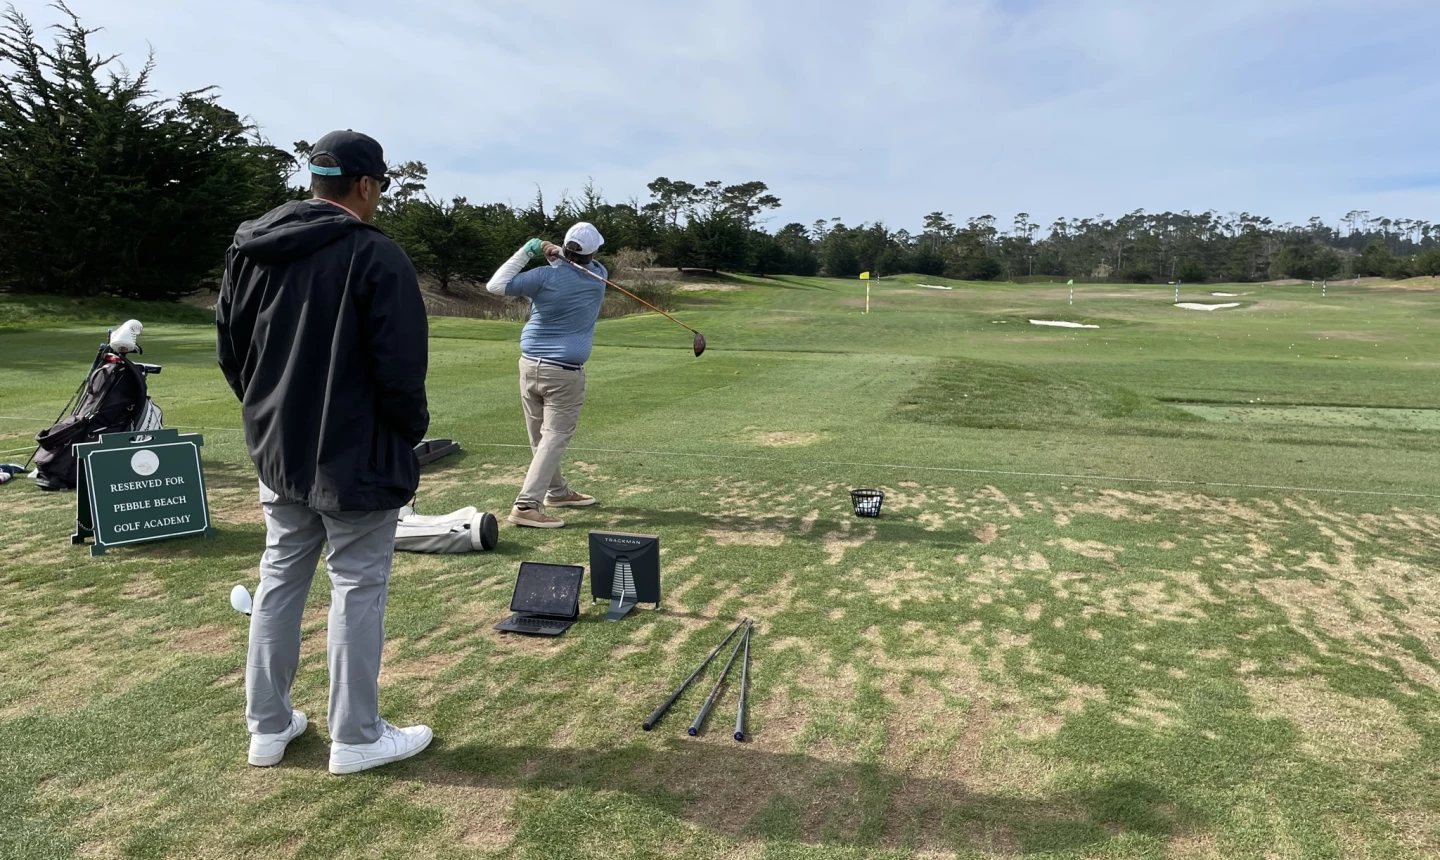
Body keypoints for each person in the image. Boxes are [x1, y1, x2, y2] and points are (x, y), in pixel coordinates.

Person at [216, 130, 434, 775]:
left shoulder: (248, 249)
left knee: (281, 577)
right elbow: (400, 372)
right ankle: (356, 736)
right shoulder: (377, 254)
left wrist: (265, 411)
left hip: (278, 446)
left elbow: (232, 354)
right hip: (355, 453)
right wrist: (407, 435)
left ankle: (269, 726)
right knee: (357, 585)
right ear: (364, 185)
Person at [486, 222, 607, 528]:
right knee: (553, 438)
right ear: (592, 252)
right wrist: (556, 255)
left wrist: (529, 251)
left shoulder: (543, 277)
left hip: (529, 366)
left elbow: (495, 286)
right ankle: (527, 505)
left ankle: (556, 491)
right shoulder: (599, 276)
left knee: (540, 437)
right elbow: (578, 266)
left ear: (566, 247)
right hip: (564, 374)